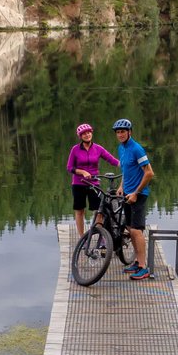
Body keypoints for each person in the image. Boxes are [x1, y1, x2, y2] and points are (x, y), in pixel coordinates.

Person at [112, 117, 155, 279]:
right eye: (118, 132)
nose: (120, 134)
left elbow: (149, 173)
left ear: (129, 132)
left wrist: (136, 193)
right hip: (127, 194)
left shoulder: (137, 149)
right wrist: (122, 186)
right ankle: (137, 262)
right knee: (130, 229)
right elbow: (127, 170)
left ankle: (143, 267)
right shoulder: (121, 149)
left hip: (139, 195)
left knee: (136, 230)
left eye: (123, 131)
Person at [66, 123, 119, 238]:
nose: (87, 135)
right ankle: (82, 238)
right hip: (78, 183)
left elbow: (112, 160)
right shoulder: (75, 150)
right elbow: (70, 168)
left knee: (98, 210)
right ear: (80, 136)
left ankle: (101, 236)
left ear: (92, 133)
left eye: (89, 132)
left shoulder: (98, 148)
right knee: (80, 210)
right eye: (84, 133)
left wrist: (124, 165)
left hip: (94, 183)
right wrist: (82, 172)